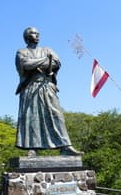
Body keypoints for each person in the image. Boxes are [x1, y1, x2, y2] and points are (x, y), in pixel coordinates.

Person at [15, 27, 83, 157]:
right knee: (32, 117)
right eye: (33, 33)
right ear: (27, 36)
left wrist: (39, 64)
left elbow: (56, 63)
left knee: (57, 115)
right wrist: (44, 61)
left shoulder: (47, 50)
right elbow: (25, 65)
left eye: (38, 33)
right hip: (30, 88)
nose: (37, 35)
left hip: (47, 86)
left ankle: (65, 146)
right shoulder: (21, 52)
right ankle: (32, 147)